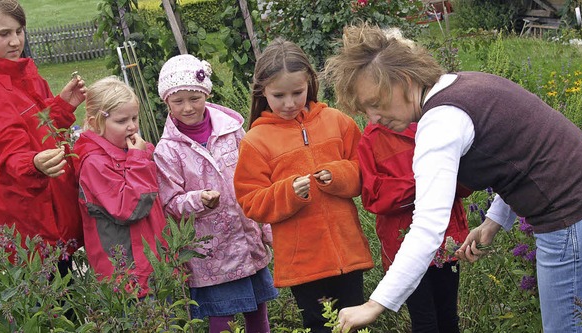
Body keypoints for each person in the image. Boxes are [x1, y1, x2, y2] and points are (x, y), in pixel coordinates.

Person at [323, 23, 582, 333]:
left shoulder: (440, 122)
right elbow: (520, 157)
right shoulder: (464, 85)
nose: (374, 118)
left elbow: (427, 228)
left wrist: (375, 304)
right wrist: (493, 222)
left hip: (575, 218)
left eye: (375, 103)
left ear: (404, 81)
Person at [233, 38, 374, 333]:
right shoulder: (256, 142)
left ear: (310, 81)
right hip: (303, 264)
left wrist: (337, 175)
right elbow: (250, 201)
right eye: (278, 95)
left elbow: (364, 171)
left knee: (356, 325)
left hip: (348, 254)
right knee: (319, 326)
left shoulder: (337, 122)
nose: (289, 103)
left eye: (297, 92)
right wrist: (287, 192)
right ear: (262, 92)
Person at [153, 54, 277, 333]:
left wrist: (267, 228)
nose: (187, 107)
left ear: (206, 94)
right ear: (166, 102)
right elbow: (170, 202)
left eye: (194, 98)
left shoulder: (232, 130)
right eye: (178, 101)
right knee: (223, 318)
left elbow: (256, 180)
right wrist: (198, 200)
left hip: (247, 242)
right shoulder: (168, 150)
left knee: (258, 310)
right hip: (212, 254)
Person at [0, 0, 85, 269]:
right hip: (25, 225)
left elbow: (38, 128)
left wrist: (61, 107)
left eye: (19, 31)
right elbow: (8, 150)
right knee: (47, 304)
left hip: (51, 216)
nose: (15, 41)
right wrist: (33, 164)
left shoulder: (23, 71)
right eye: (4, 34)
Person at [358, 121, 470, 333]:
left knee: (448, 317)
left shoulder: (435, 120)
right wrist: (426, 182)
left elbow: (465, 181)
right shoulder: (374, 137)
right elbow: (374, 195)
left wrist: (447, 177)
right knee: (424, 321)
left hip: (445, 238)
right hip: (403, 244)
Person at [73, 76, 166, 299]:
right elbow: (130, 209)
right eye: (122, 121)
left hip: (152, 268)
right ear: (96, 123)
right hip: (127, 278)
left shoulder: (129, 152)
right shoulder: (94, 163)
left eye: (134, 118)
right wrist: (139, 161)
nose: (132, 126)